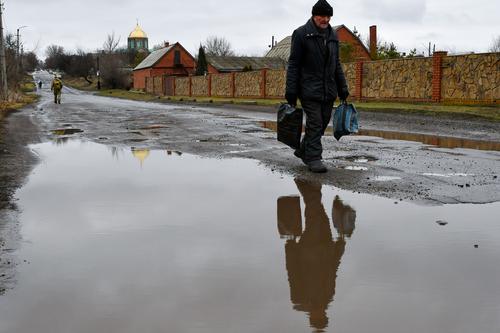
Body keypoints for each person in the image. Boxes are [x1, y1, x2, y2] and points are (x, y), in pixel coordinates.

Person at [285, 0, 349, 173]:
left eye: (328, 16)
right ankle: (314, 158)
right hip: (308, 88)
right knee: (315, 122)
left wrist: (343, 88)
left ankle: (303, 149)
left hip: (328, 90)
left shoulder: (333, 35)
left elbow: (336, 64)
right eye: (322, 16)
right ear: (314, 15)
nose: (326, 19)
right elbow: (294, 64)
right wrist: (291, 90)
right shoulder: (301, 34)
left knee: (322, 123)